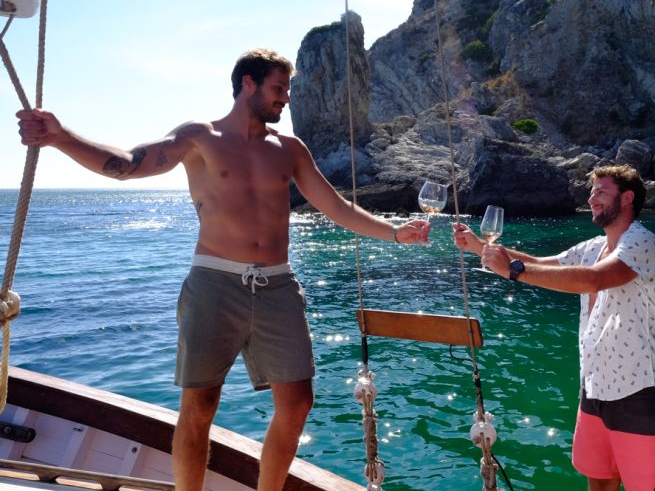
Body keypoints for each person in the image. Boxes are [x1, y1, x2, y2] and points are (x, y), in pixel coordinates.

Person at [16, 48, 430, 491]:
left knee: (297, 404)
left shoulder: (289, 149)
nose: (285, 98)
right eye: (278, 88)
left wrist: (392, 232)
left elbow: (334, 206)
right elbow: (128, 164)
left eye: (286, 90)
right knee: (200, 406)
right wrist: (59, 137)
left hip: (278, 286)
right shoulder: (200, 137)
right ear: (248, 84)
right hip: (214, 283)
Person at [453, 164, 655, 491]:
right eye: (591, 192)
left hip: (639, 392)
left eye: (601, 191)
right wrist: (477, 247)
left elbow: (594, 279)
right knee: (599, 482)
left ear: (627, 198)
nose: (591, 198)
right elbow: (540, 264)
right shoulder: (592, 248)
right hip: (595, 386)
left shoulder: (644, 243)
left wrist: (513, 272)